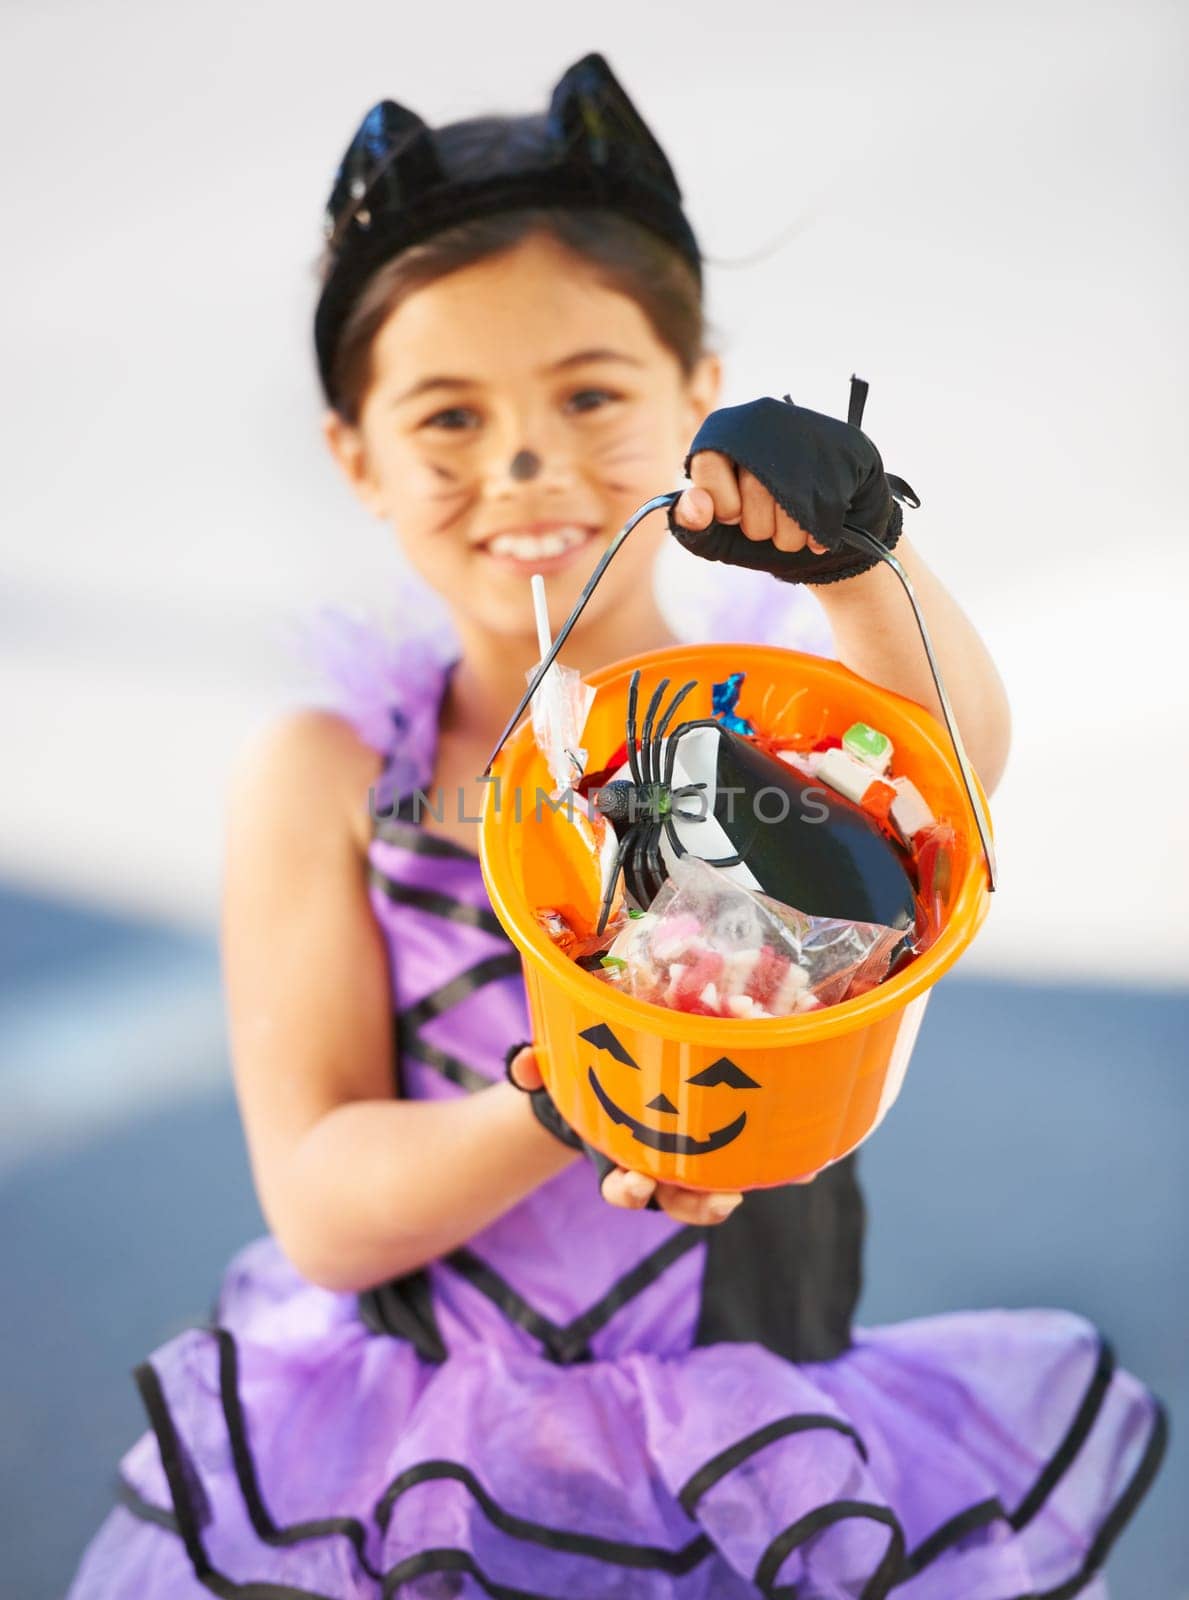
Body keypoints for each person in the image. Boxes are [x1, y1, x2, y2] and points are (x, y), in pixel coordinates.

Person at [67, 51, 1165, 1600]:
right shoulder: (333, 778)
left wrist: (856, 559)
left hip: (751, 1456)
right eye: (447, 416)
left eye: (589, 394)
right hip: (411, 1467)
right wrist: (574, 1098)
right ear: (355, 458)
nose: (525, 463)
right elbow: (320, 1202)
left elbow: (950, 770)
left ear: (695, 396)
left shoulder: (770, 717)